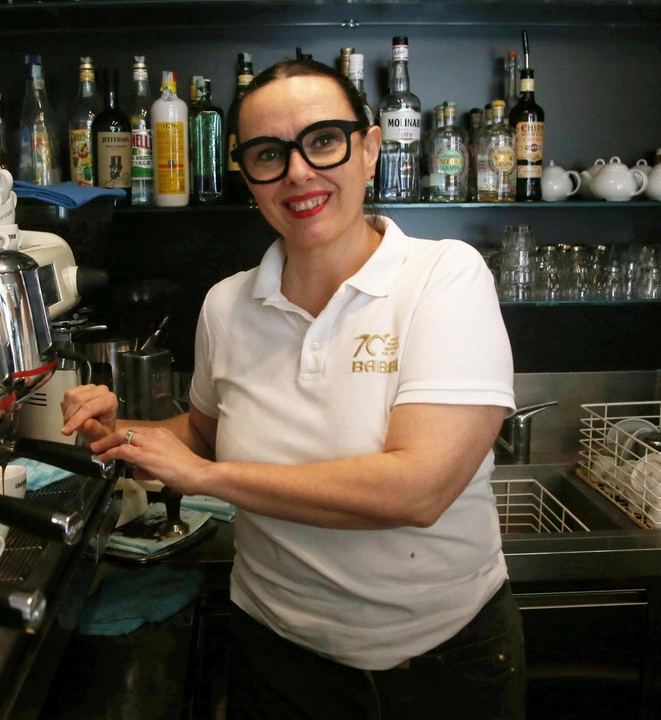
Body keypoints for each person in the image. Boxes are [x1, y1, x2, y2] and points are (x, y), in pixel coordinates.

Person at [61, 58, 525, 719]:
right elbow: (203, 436)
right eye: (269, 154)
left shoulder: (444, 278)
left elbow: (419, 490)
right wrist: (125, 434)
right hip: (276, 655)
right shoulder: (228, 304)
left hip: (439, 664)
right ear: (247, 175)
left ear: (368, 150)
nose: (299, 173)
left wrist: (208, 478)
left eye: (324, 141)